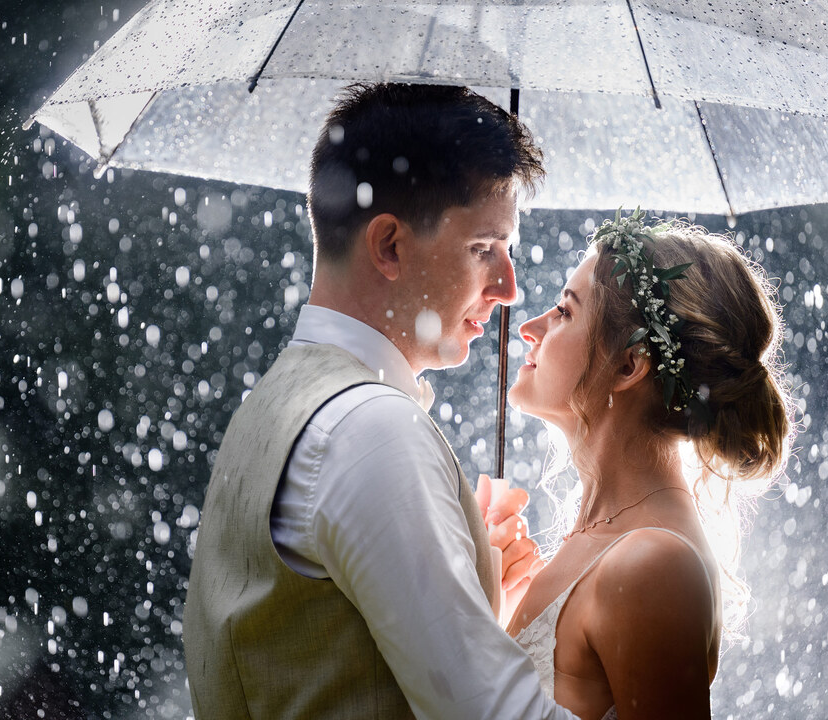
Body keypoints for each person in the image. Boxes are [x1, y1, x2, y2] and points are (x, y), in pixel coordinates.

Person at [184, 83, 576, 719]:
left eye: (508, 251)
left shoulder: (276, 405)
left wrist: (473, 604)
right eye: (484, 249)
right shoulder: (373, 432)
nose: (507, 287)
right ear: (389, 245)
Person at [504, 210, 795, 719]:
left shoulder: (651, 566)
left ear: (628, 365)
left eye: (563, 312)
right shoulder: (607, 538)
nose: (530, 328)